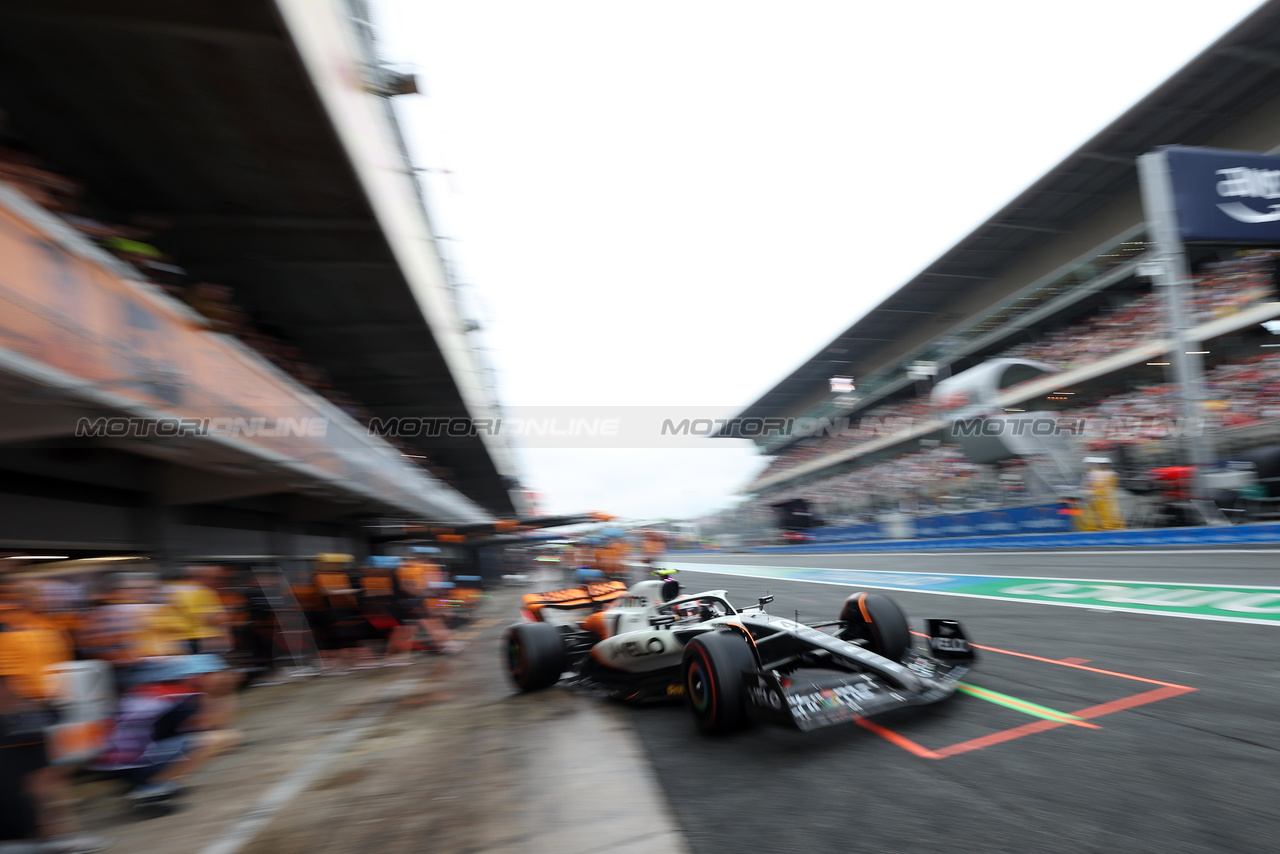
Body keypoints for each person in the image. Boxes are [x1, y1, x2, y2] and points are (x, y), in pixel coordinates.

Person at [0, 580, 108, 853]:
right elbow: (6, 680)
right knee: (44, 777)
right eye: (33, 593)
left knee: (47, 775)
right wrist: (17, 713)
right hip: (20, 713)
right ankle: (53, 834)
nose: (42, 599)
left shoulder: (40, 626)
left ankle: (49, 833)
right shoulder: (9, 627)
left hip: (41, 707)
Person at [92, 655, 241, 802]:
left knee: (188, 740)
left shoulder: (144, 691)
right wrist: (226, 691)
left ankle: (154, 781)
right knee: (222, 739)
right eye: (213, 673)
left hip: (115, 766)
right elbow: (213, 726)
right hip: (133, 764)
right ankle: (151, 788)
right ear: (198, 675)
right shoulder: (181, 695)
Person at [1080, 456, 1125, 531]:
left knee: (1107, 515)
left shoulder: (1109, 473)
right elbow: (1086, 485)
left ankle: (1109, 528)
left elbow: (1111, 485)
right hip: (1097, 497)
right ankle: (1095, 528)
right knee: (1093, 515)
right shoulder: (1091, 473)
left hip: (1104, 498)